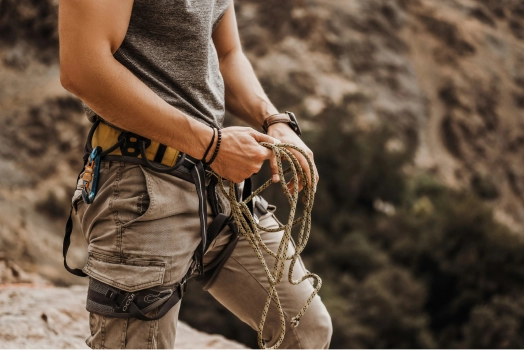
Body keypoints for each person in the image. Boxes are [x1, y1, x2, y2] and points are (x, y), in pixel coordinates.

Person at [59, 0, 332, 349]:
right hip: (140, 187)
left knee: (305, 330)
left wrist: (273, 120)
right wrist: (212, 146)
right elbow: (82, 68)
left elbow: (227, 53)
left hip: (216, 184)